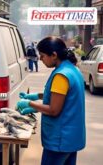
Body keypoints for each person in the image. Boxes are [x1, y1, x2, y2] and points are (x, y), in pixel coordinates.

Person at [16, 36, 85, 165]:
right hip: (72, 137)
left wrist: (30, 104)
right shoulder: (72, 69)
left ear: (53, 55)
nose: (40, 59)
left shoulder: (61, 75)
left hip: (60, 139)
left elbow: (54, 110)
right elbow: (60, 95)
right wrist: (36, 96)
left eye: (42, 56)